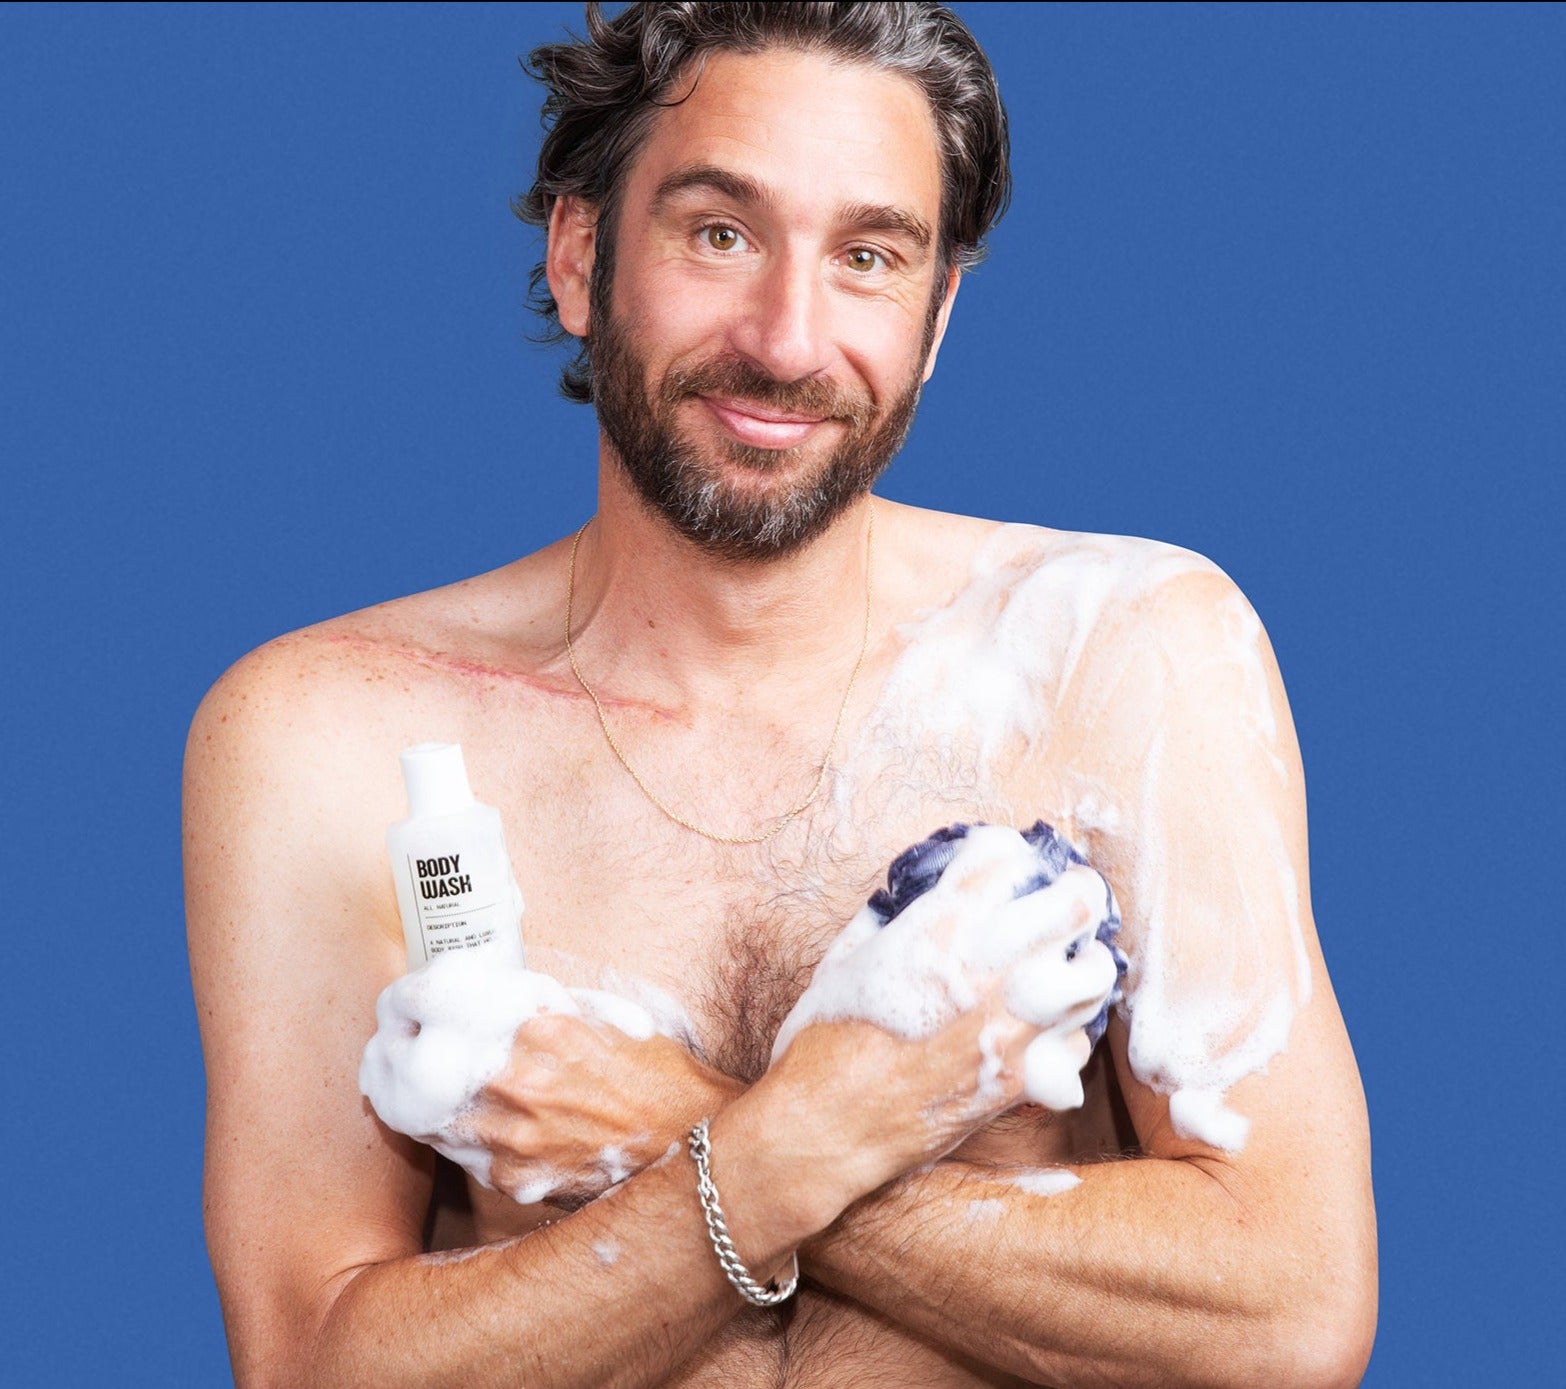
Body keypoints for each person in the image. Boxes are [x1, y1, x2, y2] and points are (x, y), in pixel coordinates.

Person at [184, 4, 1376, 1386]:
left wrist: (662, 1123)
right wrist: (786, 1148)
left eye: (868, 257)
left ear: (933, 319)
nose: (787, 338)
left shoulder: (1119, 655)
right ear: (581, 258)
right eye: (718, 233)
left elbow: (1283, 1316)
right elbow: (313, 1364)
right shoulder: (332, 735)